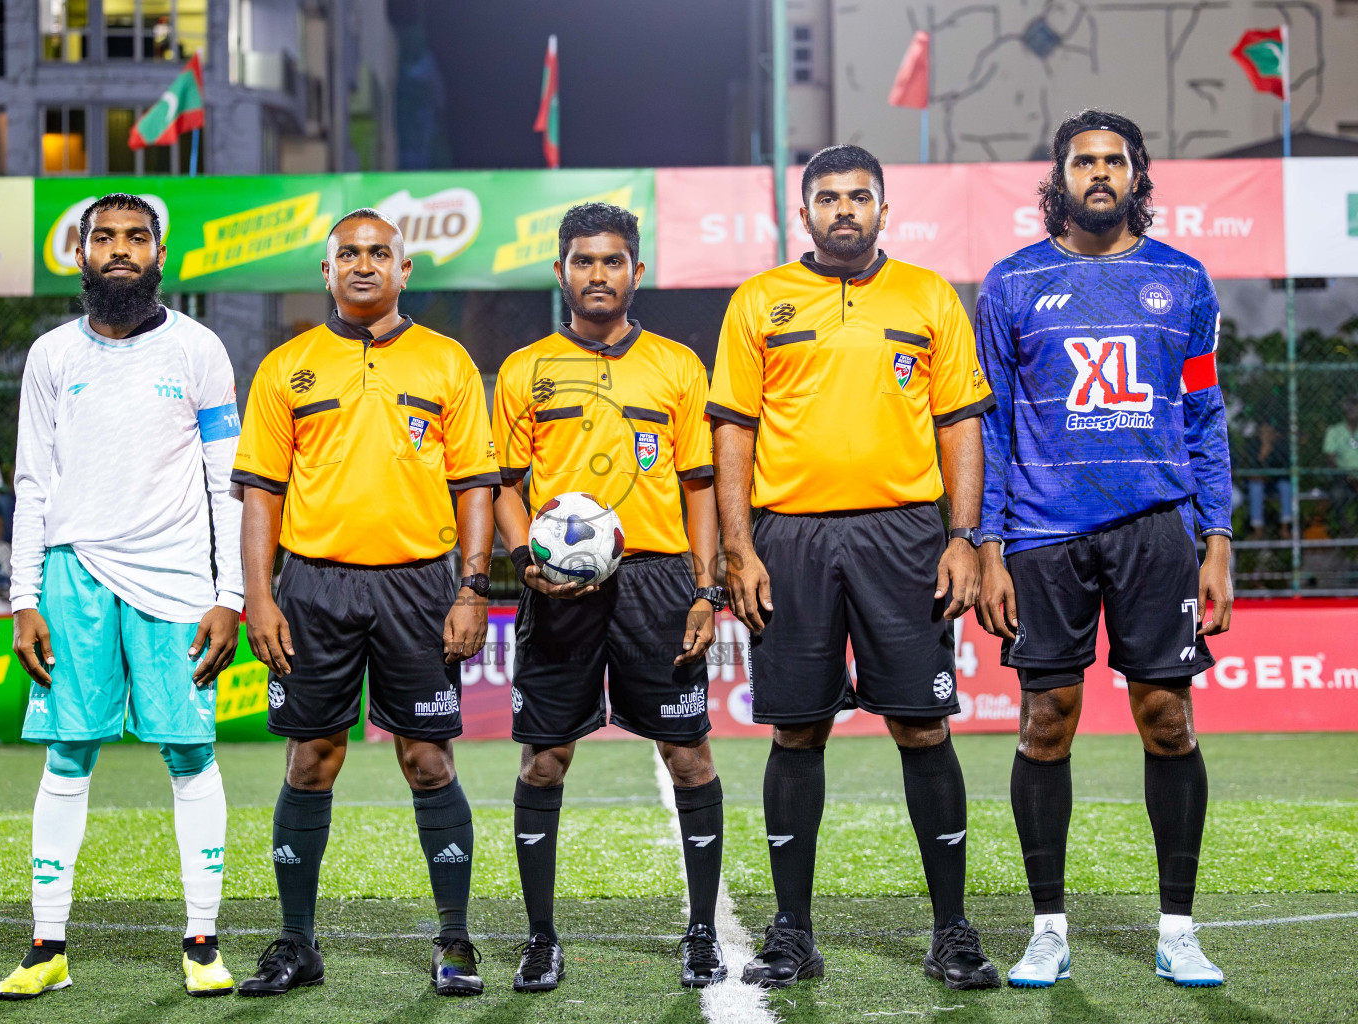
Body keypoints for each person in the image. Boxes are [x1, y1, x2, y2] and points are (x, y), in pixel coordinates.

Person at [708, 144, 998, 990]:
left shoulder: (929, 295)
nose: (844, 209)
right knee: (797, 729)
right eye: (828, 197)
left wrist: (963, 535)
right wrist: (738, 546)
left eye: (859, 196)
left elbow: (959, 425)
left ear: (882, 208)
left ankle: (952, 931)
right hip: (789, 540)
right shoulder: (760, 301)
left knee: (922, 725)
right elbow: (734, 431)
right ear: (804, 213)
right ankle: (792, 933)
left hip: (905, 536)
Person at [974, 110, 1233, 989]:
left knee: (1168, 719)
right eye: (1082, 160)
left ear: (1137, 176)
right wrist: (989, 543)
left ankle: (1178, 928)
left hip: (1156, 532)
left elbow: (1203, 415)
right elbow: (995, 429)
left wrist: (1217, 537)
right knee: (1046, 724)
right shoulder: (1012, 285)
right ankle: (1047, 927)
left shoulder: (1184, 282)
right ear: (1058, 174)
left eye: (1113, 161)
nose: (1097, 173)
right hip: (1045, 539)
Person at [232, 209, 498, 998]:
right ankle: (296, 943)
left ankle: (454, 941)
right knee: (311, 760)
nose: (362, 264)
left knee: (426, 759)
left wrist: (471, 587)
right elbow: (259, 497)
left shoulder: (447, 363)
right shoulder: (287, 367)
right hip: (313, 587)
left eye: (379, 253)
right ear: (326, 272)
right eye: (347, 253)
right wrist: (259, 597)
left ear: (404, 271)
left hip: (419, 585)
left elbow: (475, 485)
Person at [0, 193, 243, 1000]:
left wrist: (230, 594)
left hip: (176, 581)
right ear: (81, 253)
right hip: (71, 578)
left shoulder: (200, 350)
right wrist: (21, 597)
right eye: (104, 238)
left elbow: (226, 486)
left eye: (136, 238)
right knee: (68, 754)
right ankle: (47, 946)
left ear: (160, 253)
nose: (120, 250)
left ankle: (202, 943)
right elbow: (32, 482)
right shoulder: (50, 357)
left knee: (189, 754)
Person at [493, 203, 727, 991]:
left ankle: (700, 933)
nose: (599, 274)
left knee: (688, 757)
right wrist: (525, 556)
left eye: (614, 260)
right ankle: (540, 937)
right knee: (545, 760)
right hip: (558, 588)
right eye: (584, 261)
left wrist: (705, 588)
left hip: (659, 582)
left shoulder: (677, 366)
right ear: (560, 271)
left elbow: (700, 486)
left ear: (636, 271)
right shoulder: (525, 370)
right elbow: (501, 485)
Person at [1322, 396, 1358, 534]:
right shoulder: (1334, 431)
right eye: (1350, 406)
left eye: (1356, 406)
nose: (1353, 409)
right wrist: (1350, 478)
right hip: (1343, 478)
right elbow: (1330, 459)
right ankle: (1344, 529)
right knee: (1338, 494)